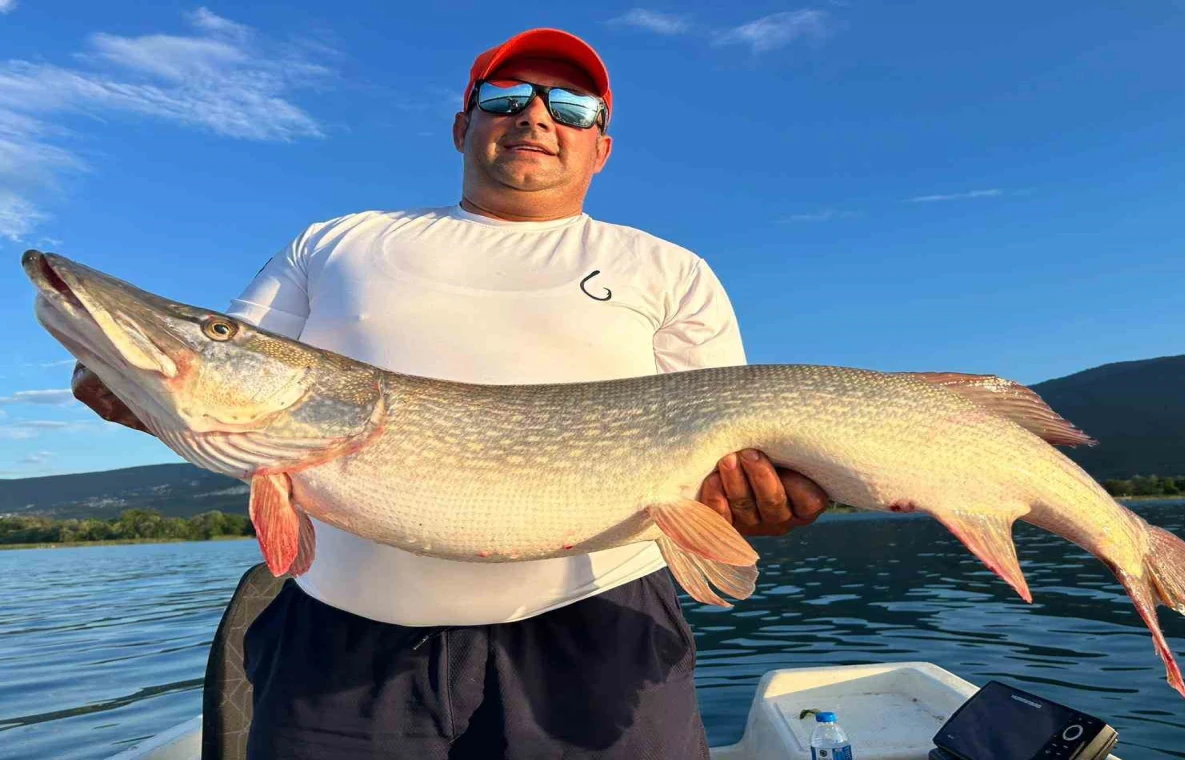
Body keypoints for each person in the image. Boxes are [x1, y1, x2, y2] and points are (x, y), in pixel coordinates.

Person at [72, 28, 830, 759]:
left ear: (600, 147)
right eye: (508, 96)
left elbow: (727, 453)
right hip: (343, 640)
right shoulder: (334, 242)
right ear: (464, 123)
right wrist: (144, 395)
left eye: (571, 108)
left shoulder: (670, 270)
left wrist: (752, 503)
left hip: (600, 629)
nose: (535, 115)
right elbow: (232, 383)